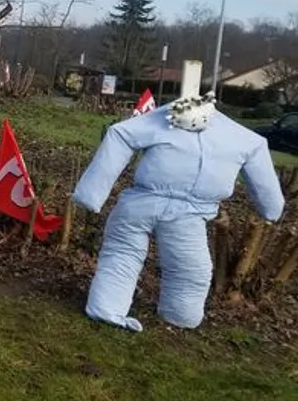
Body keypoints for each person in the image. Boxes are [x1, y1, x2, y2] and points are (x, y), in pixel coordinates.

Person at [72, 88, 285, 332]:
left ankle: (107, 307)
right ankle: (179, 315)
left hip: (145, 204)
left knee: (123, 254)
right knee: (188, 269)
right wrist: (272, 209)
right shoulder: (243, 139)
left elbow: (120, 134)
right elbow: (265, 182)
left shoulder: (163, 119)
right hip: (185, 213)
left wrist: (91, 193)